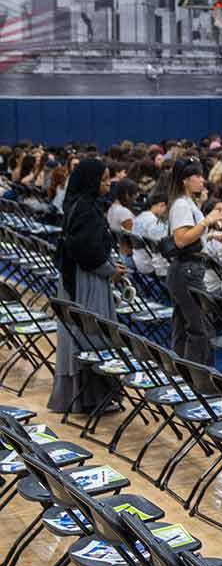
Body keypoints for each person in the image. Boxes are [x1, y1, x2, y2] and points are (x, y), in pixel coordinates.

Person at [49, 158, 122, 414]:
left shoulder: (78, 204)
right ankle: (91, 399)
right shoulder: (86, 210)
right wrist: (111, 270)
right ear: (91, 182)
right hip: (88, 281)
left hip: (79, 278)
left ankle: (84, 397)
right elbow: (87, 251)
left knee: (81, 334)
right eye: (103, 179)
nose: (108, 184)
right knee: (92, 335)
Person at [166, 158, 222, 362]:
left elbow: (191, 236)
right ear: (184, 180)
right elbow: (181, 240)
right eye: (197, 176)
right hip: (188, 269)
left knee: (184, 325)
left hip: (186, 268)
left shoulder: (186, 203)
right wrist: (207, 221)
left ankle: (184, 375)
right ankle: (202, 381)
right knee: (200, 328)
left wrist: (210, 233)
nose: (202, 180)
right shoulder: (182, 204)